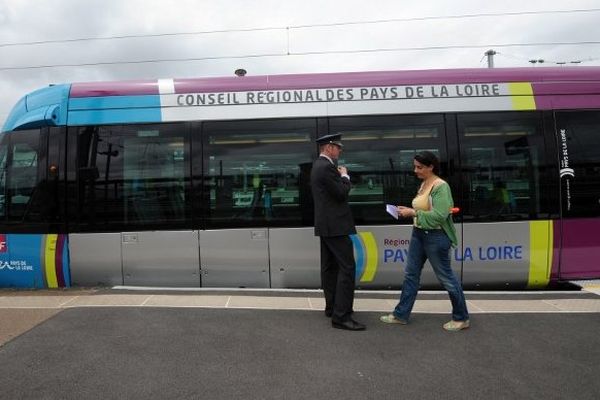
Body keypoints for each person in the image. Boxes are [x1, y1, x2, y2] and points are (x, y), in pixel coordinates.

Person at [380, 151, 470, 331]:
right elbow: (423, 208)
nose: (416, 170)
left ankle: (462, 318)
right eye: (415, 166)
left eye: (419, 167)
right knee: (411, 275)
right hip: (419, 234)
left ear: (431, 167)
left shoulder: (440, 186)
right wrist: (408, 209)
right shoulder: (424, 184)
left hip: (436, 237)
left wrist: (413, 213)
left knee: (447, 278)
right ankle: (401, 315)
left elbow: (439, 215)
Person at [311, 133, 365, 331]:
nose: (340, 150)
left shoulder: (317, 166)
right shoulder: (327, 167)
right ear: (328, 148)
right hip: (336, 226)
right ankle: (341, 316)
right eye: (338, 147)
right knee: (347, 268)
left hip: (326, 226)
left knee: (329, 268)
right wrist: (345, 175)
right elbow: (341, 193)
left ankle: (332, 307)